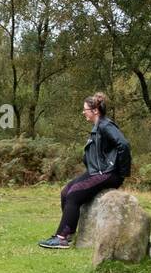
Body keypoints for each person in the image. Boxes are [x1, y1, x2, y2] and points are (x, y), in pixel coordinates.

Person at [39, 92, 131, 249]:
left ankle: (62, 238)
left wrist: (121, 172)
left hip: (107, 173)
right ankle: (67, 232)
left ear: (95, 110)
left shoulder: (105, 125)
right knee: (65, 192)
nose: (83, 112)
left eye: (85, 109)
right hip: (97, 172)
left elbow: (123, 144)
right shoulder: (98, 126)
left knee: (74, 195)